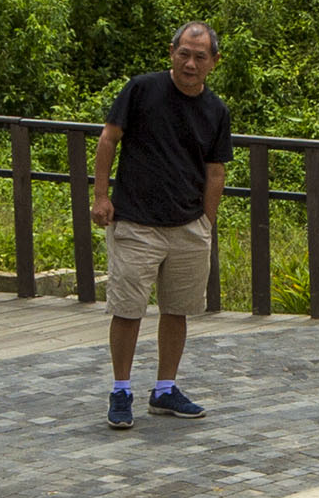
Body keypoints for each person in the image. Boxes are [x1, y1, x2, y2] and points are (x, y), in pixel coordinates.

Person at [90, 22, 232, 429]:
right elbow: (108, 139)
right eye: (184, 53)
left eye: (199, 57)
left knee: (178, 309)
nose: (190, 63)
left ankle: (165, 389)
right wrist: (102, 197)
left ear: (213, 62)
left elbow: (216, 170)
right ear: (171, 52)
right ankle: (120, 389)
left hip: (188, 226)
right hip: (136, 222)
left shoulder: (216, 110)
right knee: (128, 309)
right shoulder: (142, 89)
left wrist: (206, 221)